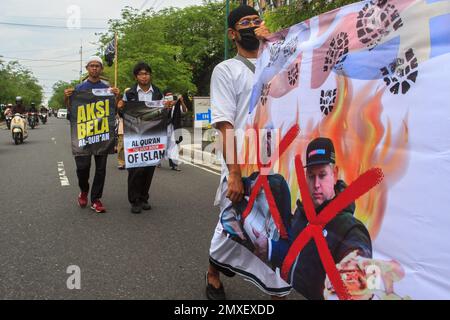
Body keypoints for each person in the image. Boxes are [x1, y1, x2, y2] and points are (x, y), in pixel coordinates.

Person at [205, 5, 290, 300]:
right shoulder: (225, 70)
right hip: (241, 161)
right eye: (245, 22)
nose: (253, 25)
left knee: (274, 225)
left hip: (276, 159)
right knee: (233, 220)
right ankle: (213, 273)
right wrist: (235, 174)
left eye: (257, 20)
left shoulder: (280, 64)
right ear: (233, 34)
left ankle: (275, 288)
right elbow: (225, 125)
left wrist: (276, 45)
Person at [253, 137, 373, 300]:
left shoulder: (351, 231)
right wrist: (269, 247)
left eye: (322, 175)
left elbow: (359, 290)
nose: (316, 184)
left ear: (335, 174)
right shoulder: (302, 213)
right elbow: (292, 254)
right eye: (311, 176)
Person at [64, 55, 120, 213]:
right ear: (87, 68)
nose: (94, 68)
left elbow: (114, 111)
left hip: (102, 134)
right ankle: (83, 190)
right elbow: (71, 111)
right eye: (91, 65)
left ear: (101, 69)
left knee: (101, 169)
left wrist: (117, 96)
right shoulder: (79, 88)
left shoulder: (107, 88)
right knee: (83, 168)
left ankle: (96, 199)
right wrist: (66, 97)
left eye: (97, 66)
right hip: (83, 135)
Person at [118, 61, 165, 214]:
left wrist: (168, 107)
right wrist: (120, 107)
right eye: (140, 74)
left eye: (146, 73)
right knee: (135, 169)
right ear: (136, 76)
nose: (144, 77)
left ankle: (144, 197)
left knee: (149, 167)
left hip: (152, 135)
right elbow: (123, 114)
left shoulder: (157, 92)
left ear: (150, 75)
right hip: (134, 135)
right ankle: (134, 200)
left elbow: (162, 113)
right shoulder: (130, 93)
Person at [164, 92, 187, 171]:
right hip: (165, 128)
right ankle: (158, 160)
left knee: (173, 146)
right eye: (168, 98)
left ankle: (174, 164)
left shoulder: (177, 106)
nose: (170, 99)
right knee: (164, 146)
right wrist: (167, 106)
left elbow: (184, 110)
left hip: (175, 128)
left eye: (171, 97)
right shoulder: (164, 106)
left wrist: (182, 102)